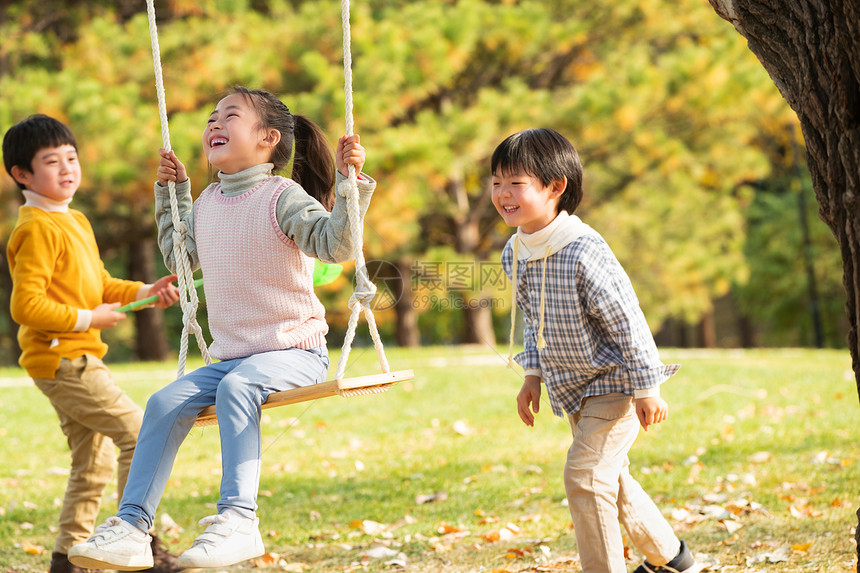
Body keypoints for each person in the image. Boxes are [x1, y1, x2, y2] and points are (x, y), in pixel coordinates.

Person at [69, 86, 375, 570]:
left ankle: (239, 520)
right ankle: (131, 526)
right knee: (164, 401)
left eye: (229, 116)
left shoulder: (283, 197)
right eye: (211, 117)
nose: (213, 124)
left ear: (267, 138)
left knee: (238, 387)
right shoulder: (208, 202)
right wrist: (173, 196)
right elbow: (180, 258)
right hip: (234, 358)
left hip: (295, 352)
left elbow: (335, 246)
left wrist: (349, 180)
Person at [492, 128, 703, 573]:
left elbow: (628, 321)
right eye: (496, 182)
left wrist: (647, 387)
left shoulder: (583, 250)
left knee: (585, 479)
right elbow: (535, 319)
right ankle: (673, 558)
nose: (503, 193)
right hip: (574, 388)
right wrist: (532, 377)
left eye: (516, 183)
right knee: (613, 479)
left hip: (616, 384)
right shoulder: (516, 251)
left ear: (555, 188)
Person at [2, 114, 183, 573]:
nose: (67, 168)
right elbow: (26, 307)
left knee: (93, 461)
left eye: (71, 157)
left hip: (78, 355)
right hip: (62, 358)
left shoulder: (74, 221)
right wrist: (88, 318)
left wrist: (144, 293)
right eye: (51, 162)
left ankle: (67, 559)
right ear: (22, 174)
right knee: (140, 435)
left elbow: (98, 284)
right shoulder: (36, 229)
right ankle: (137, 543)